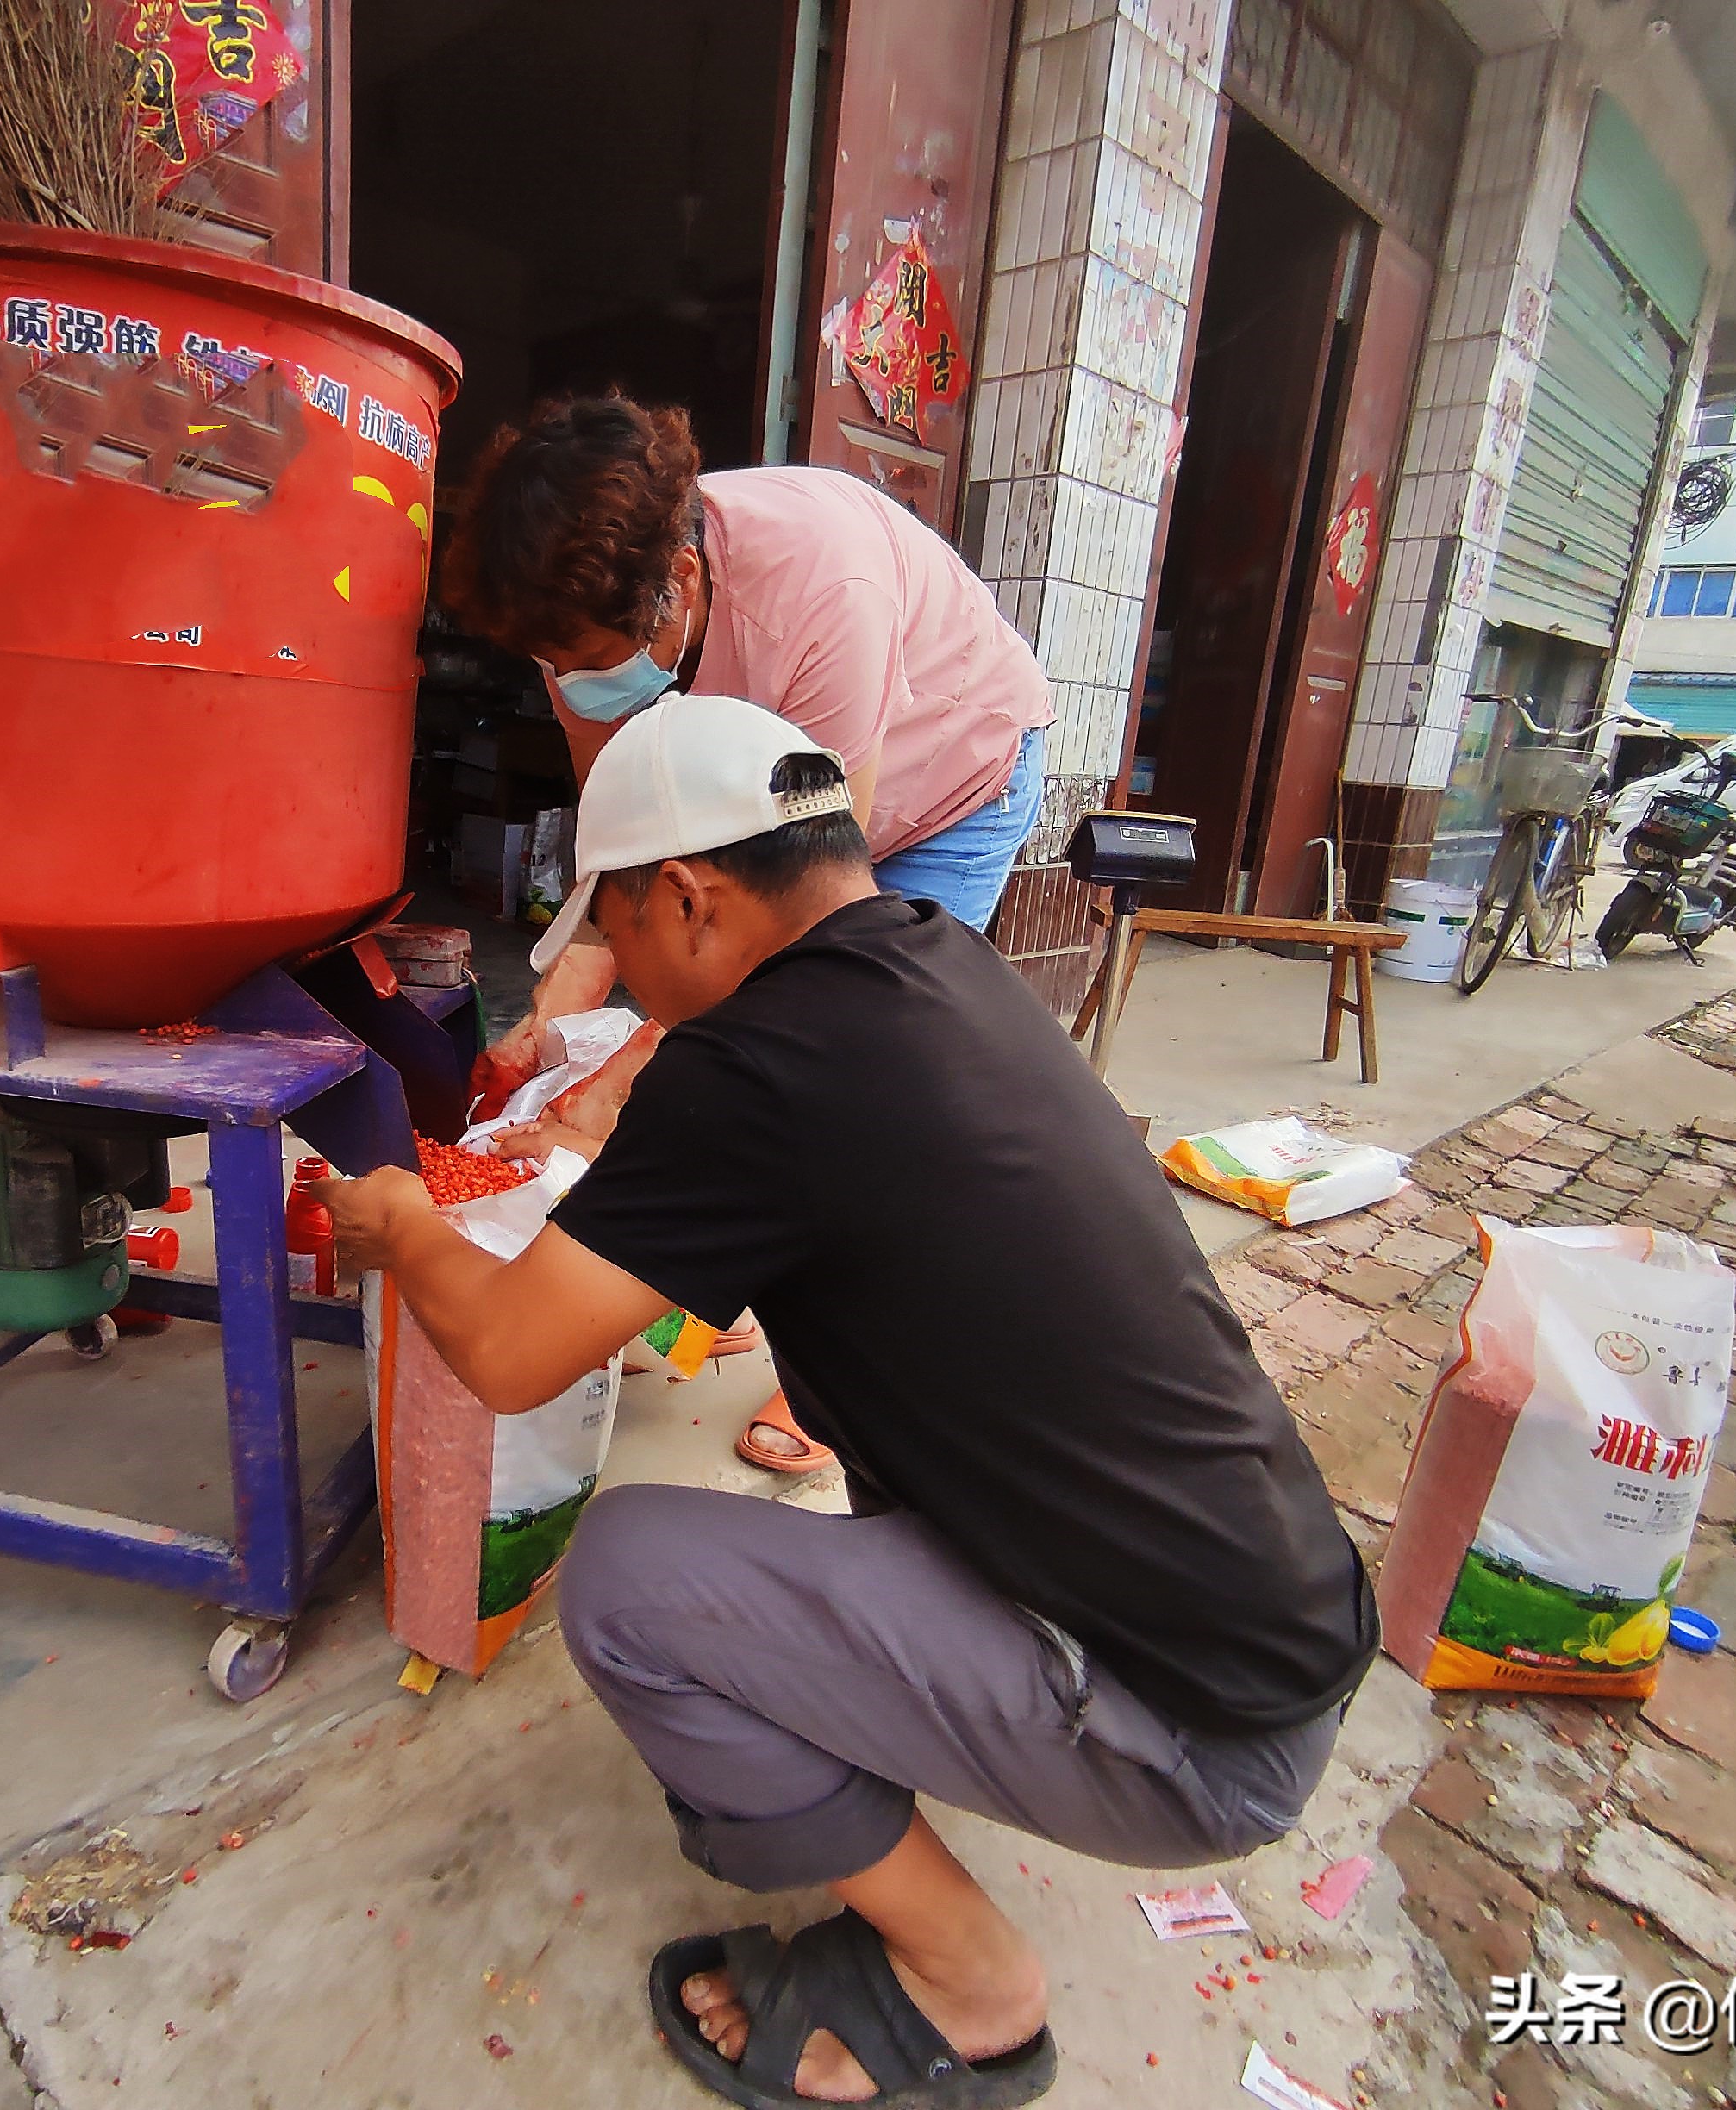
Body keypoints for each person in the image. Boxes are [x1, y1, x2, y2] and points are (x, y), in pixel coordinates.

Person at [316, 696, 1376, 2110]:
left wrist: (405, 1227)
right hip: (1269, 1631)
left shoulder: (754, 1064)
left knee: (629, 1580)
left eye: (614, 930)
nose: (623, 973)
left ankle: (970, 1986)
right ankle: (959, 1757)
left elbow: (511, 1354)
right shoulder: (937, 964)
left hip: (1197, 1736)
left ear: (686, 898)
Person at [445, 392, 1057, 1476]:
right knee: (727, 1058)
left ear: (680, 583)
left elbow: (798, 924)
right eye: (553, 663)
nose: (574, 684)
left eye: (588, 659)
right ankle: (707, 1281)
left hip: (946, 778)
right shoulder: (578, 613)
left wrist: (621, 1084)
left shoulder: (823, 597)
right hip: (796, 808)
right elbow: (628, 857)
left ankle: (843, 1374)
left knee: (858, 1061)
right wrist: (554, 1018)